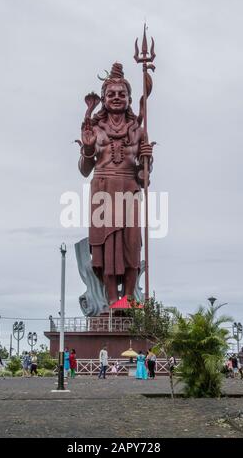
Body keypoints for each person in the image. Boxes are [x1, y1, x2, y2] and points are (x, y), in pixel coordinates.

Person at [78, 62, 153, 304]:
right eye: (111, 94)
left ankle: (129, 300)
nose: (117, 97)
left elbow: (144, 179)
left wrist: (146, 161)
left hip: (129, 189)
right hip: (102, 189)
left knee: (132, 244)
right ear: (103, 98)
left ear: (130, 99)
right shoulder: (94, 128)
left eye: (122, 94)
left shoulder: (139, 131)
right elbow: (83, 169)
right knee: (107, 246)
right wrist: (88, 148)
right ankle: (112, 301)